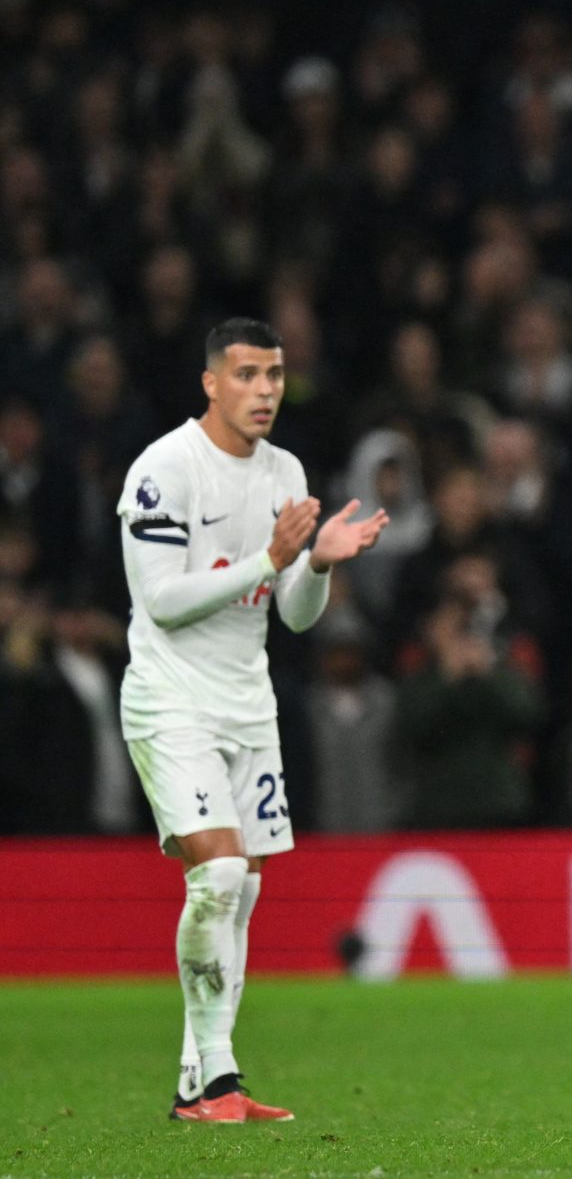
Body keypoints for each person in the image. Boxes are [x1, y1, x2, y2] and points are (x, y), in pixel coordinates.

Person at [115, 318, 389, 1124]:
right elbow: (160, 604)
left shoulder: (286, 471)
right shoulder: (165, 469)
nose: (265, 389)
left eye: (273, 374)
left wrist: (319, 565)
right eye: (246, 374)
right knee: (221, 876)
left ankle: (197, 1083)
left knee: (242, 894)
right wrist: (270, 559)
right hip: (172, 700)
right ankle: (220, 1076)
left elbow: (297, 617)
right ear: (210, 382)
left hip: (249, 704)